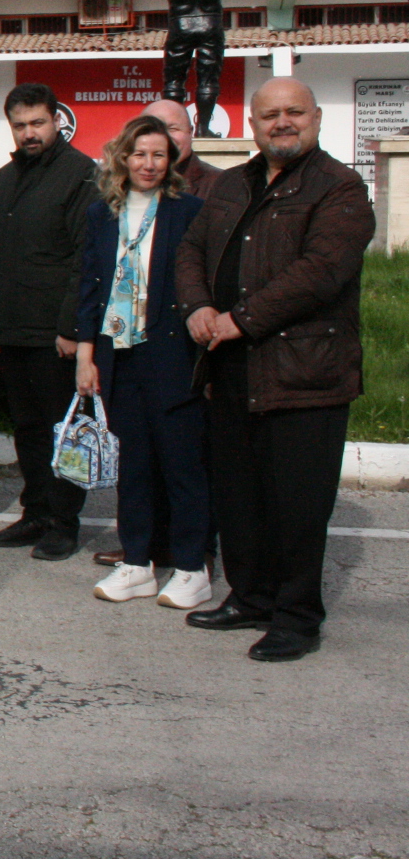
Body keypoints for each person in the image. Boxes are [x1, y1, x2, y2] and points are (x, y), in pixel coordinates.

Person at [176, 77, 373, 662]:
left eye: (293, 112)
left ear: (315, 117)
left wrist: (243, 317)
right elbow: (191, 250)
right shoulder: (232, 184)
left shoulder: (340, 188)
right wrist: (198, 308)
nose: (282, 123)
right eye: (269, 115)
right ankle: (251, 596)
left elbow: (321, 272)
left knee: (297, 504)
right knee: (238, 496)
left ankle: (296, 617)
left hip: (304, 373)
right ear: (253, 126)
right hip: (230, 367)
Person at [76, 116, 211, 609]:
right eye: (139, 154)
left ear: (170, 160)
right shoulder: (102, 215)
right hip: (118, 354)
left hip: (171, 353)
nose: (148, 164)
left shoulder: (189, 211)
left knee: (181, 464)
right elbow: (90, 286)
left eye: (158, 154)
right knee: (132, 465)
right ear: (122, 159)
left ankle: (193, 567)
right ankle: (137, 564)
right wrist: (85, 355)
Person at [0, 83, 99, 561]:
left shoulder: (81, 175)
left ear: (57, 121)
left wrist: (71, 329)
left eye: (37, 123)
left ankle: (64, 522)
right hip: (12, 330)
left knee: (65, 430)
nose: (29, 133)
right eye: (20, 125)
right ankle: (35, 512)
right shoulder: (5, 178)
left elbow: (85, 258)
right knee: (28, 428)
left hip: (56, 335)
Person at [143, 97, 224, 200]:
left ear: (190, 132)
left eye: (172, 129)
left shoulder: (220, 183)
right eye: (153, 129)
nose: (164, 137)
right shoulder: (122, 184)